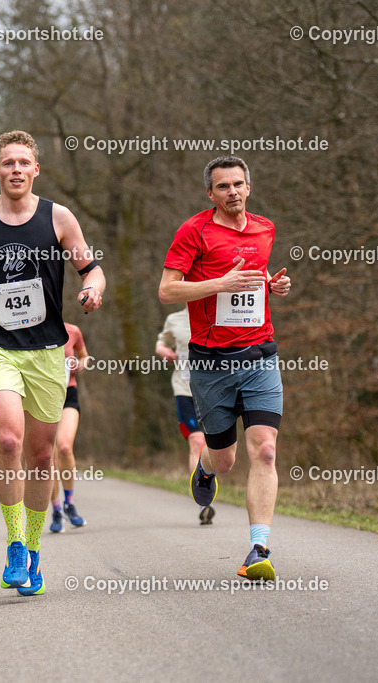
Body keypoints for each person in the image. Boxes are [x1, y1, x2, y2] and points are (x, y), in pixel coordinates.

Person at [0, 130, 105, 596]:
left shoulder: (59, 218)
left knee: (41, 454)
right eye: (7, 162)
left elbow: (90, 267)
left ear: (36, 170)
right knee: (10, 440)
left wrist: (93, 288)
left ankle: (34, 553)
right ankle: (14, 542)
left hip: (46, 350)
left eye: (24, 162)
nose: (16, 169)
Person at [158, 155, 291, 581]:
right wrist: (220, 284)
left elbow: (254, 274)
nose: (232, 192)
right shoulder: (193, 232)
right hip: (211, 363)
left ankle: (258, 547)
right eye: (223, 186)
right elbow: (167, 290)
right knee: (225, 459)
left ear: (248, 187)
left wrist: (272, 284)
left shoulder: (265, 228)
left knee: (265, 450)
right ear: (210, 193)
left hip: (259, 355)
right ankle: (205, 468)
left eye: (238, 184)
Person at [155, 309, 212, 525]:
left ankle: (208, 483)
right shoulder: (174, 319)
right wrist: (163, 350)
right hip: (184, 389)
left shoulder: (215, 311)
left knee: (214, 446)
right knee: (196, 441)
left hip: (212, 389)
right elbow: (161, 341)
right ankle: (203, 502)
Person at [50, 322, 89, 532]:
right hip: (43, 397)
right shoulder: (31, 329)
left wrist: (81, 363)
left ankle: (69, 504)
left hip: (68, 395)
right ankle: (56, 509)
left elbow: (84, 355)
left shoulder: (72, 330)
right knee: (49, 456)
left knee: (64, 447)